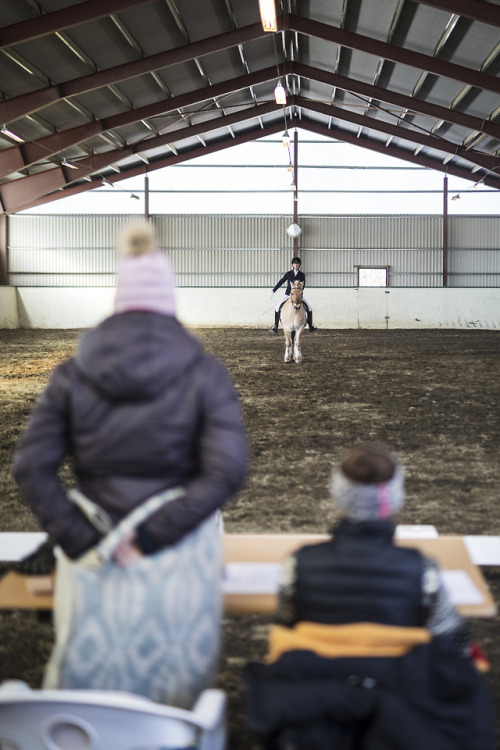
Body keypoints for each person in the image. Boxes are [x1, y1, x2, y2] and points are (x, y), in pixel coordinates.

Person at [12, 220, 249, 709]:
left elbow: (31, 466)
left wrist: (80, 539)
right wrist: (153, 536)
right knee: (174, 684)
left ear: (119, 300)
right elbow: (225, 470)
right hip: (177, 546)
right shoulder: (205, 373)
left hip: (92, 546)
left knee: (88, 677)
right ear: (169, 302)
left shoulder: (71, 375)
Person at [244, 444, 495, 749]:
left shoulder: (297, 563)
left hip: (320, 682)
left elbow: (287, 623)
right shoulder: (421, 569)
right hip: (397, 687)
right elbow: (452, 638)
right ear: (395, 499)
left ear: (337, 497)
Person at [268, 257, 317, 333]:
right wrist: (273, 291)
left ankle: (311, 326)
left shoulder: (302, 275)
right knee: (277, 307)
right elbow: (281, 282)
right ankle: (275, 326)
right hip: (288, 295)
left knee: (309, 308)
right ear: (292, 265)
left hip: (298, 296)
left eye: (297, 264)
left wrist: (298, 285)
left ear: (299, 265)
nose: (296, 265)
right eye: (294, 264)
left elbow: (303, 286)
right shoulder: (288, 274)